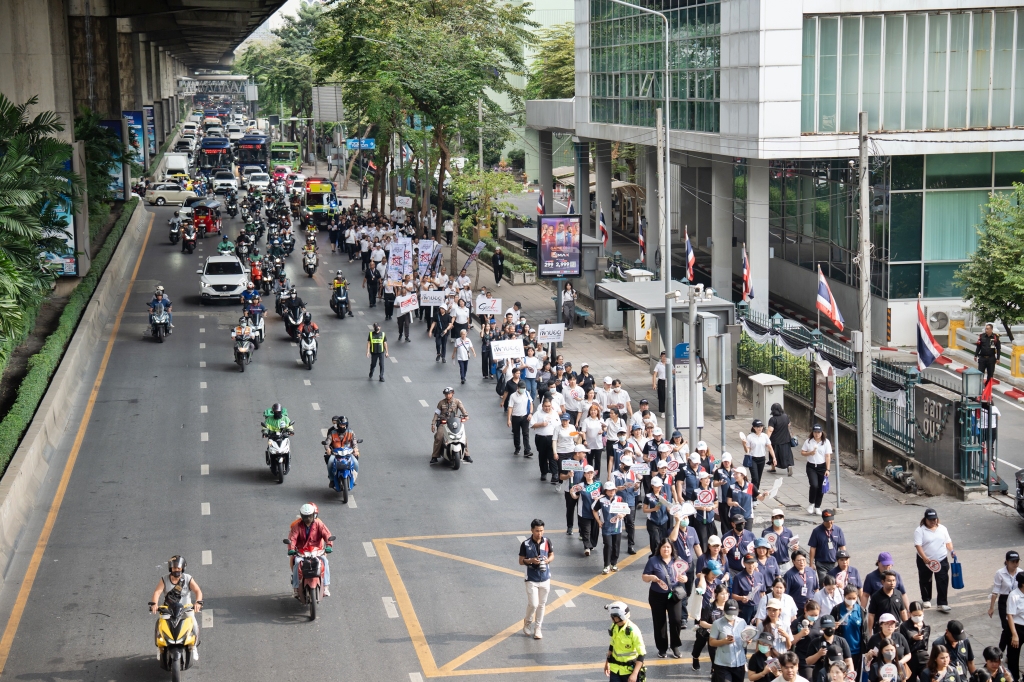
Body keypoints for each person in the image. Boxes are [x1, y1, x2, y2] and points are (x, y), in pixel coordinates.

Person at [643, 537, 686, 658]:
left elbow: (684, 575)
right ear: (660, 549)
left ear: (672, 549)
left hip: (674, 595)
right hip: (657, 596)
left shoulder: (677, 561)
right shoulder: (653, 560)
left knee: (676, 620)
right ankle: (662, 648)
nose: (666, 549)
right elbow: (644, 577)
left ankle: (675, 646)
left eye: (668, 547)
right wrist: (651, 578)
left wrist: (684, 578)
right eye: (663, 547)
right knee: (659, 622)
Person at [149, 554, 204, 638]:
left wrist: (198, 602)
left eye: (179, 568)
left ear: (182, 568)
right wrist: (154, 604)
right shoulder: (164, 579)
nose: (176, 570)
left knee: (193, 625)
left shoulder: (188, 578)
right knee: (161, 627)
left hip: (186, 608)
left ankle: (194, 645)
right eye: (174, 568)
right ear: (170, 568)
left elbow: (198, 591)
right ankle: (160, 646)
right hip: (169, 610)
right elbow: (157, 592)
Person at [287, 503, 333, 597]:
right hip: (302, 552)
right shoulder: (297, 526)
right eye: (305, 516)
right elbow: (292, 538)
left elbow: (327, 535)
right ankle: (296, 587)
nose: (308, 518)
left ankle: (325, 586)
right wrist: (291, 548)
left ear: (313, 515)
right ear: (301, 516)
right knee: (297, 563)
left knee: (325, 561)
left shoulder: (319, 524)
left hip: (317, 550)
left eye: (309, 516)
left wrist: (329, 545)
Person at [914, 508, 955, 613]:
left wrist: (951, 551)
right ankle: (926, 599)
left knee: (942, 580)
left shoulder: (942, 528)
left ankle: (942, 603)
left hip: (941, 558)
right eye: (930, 519)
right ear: (925, 519)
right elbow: (918, 545)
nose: (933, 521)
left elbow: (948, 542)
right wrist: (924, 558)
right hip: (925, 560)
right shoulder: (920, 530)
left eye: (934, 519)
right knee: (925, 579)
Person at [519, 519, 553, 640]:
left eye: (541, 530)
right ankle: (528, 621)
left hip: (545, 578)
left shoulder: (547, 541)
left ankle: (538, 627)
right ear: (532, 530)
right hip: (531, 578)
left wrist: (548, 560)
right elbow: (521, 561)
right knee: (533, 604)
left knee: (542, 604)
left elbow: (551, 554)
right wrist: (531, 561)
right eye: (537, 531)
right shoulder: (525, 544)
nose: (540, 533)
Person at [604, 601, 647, 682]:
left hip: (629, 671)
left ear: (617, 617)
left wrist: (634, 674)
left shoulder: (633, 631)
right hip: (615, 669)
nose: (611, 618)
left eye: (612, 616)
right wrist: (607, 662)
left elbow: (642, 654)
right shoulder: (614, 627)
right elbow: (612, 646)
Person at [709, 599, 750, 682]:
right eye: (729, 614)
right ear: (724, 611)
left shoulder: (742, 622)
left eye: (733, 614)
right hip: (723, 664)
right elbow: (711, 642)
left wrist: (747, 641)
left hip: (739, 663)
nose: (731, 616)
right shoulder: (717, 623)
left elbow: (745, 641)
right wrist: (723, 641)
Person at [989, 550, 1021, 651]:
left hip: (1017, 600)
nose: (1015, 564)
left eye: (1017, 561)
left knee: (1014, 627)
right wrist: (991, 607)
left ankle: (1008, 651)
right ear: (1007, 562)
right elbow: (995, 591)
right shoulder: (1000, 573)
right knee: (1006, 627)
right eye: (1012, 562)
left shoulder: (1021, 572)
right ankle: (1000, 650)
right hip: (1004, 600)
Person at [430, 387, 470, 464]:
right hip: (444, 423)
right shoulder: (441, 403)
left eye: (449, 394)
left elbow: (463, 410)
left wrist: (466, 416)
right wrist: (433, 424)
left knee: (464, 437)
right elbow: (436, 414)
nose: (447, 395)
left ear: (452, 394)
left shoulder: (457, 401)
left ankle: (466, 455)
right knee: (439, 437)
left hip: (455, 423)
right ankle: (434, 456)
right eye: (446, 394)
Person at [832, 584, 866, 673]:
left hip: (857, 650)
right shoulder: (837, 610)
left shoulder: (861, 610)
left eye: (854, 598)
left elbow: (865, 631)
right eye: (849, 598)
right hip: (841, 651)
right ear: (844, 596)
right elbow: (829, 629)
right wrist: (833, 627)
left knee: (856, 675)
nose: (851, 600)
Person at [594, 480, 625, 574]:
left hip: (617, 527)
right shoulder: (601, 500)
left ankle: (613, 563)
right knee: (608, 545)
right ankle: (606, 565)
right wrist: (599, 521)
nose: (612, 491)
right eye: (610, 490)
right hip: (606, 527)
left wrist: (622, 515)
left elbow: (625, 511)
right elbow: (595, 510)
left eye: (613, 490)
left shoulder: (619, 499)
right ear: (606, 491)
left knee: (616, 546)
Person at [800, 425, 832, 515]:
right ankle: (811, 503)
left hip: (822, 467)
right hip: (811, 466)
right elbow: (802, 452)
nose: (817, 434)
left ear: (822, 433)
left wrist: (828, 469)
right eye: (815, 432)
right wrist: (810, 453)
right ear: (812, 432)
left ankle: (817, 506)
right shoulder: (809, 441)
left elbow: (827, 456)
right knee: (814, 485)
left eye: (818, 432)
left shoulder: (826, 442)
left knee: (821, 487)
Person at [808, 509, 846, 584]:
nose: (829, 522)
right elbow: (813, 548)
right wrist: (811, 564)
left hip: (834, 563)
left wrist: (844, 561)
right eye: (827, 521)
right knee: (824, 583)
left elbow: (842, 547)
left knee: (835, 583)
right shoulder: (816, 531)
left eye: (831, 520)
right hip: (821, 563)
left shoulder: (838, 530)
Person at [902, 601, 932, 681]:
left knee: (928, 678)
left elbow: (925, 644)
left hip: (923, 656)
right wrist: (912, 639)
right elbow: (903, 646)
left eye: (919, 615)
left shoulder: (926, 626)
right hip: (910, 658)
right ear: (909, 613)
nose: (917, 617)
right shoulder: (904, 626)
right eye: (915, 615)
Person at [530, 397, 558, 481]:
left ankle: (554, 474)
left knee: (552, 456)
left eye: (549, 406)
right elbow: (532, 425)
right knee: (542, 456)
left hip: (551, 438)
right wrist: (541, 424)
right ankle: (544, 472)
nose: (547, 408)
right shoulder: (538, 414)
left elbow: (558, 426)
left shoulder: (554, 414)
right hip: (541, 437)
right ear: (542, 406)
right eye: (545, 406)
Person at [743, 419, 776, 488]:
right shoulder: (750, 437)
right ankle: (753, 492)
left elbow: (770, 448)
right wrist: (744, 444)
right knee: (755, 478)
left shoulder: (765, 436)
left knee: (759, 478)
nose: (760, 428)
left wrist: (774, 458)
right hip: (753, 459)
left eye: (761, 426)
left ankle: (756, 491)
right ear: (754, 427)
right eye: (758, 427)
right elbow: (747, 450)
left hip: (762, 459)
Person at [507, 380, 534, 457]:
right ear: (517, 388)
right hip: (516, 417)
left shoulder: (527, 393)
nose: (523, 389)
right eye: (521, 388)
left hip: (525, 417)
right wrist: (509, 419)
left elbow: (531, 403)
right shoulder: (513, 396)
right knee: (516, 434)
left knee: (526, 434)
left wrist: (530, 413)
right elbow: (510, 408)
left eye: (524, 388)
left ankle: (527, 450)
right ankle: (517, 448)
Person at [767, 403, 795, 476]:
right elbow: (789, 424)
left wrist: (766, 439)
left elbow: (770, 430)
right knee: (787, 454)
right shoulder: (785, 416)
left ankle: (773, 467)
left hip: (775, 440)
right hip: (786, 439)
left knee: (773, 454)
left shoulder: (773, 419)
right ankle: (789, 465)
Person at [1006, 573, 1024, 680]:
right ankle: (1013, 679)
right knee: (1013, 656)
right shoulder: (1014, 595)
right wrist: (1014, 634)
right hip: (1017, 628)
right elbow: (1010, 615)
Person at [652, 351, 669, 416]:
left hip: (668, 381)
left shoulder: (669, 364)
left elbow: (673, 371)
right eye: (663, 356)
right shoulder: (658, 365)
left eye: (665, 356)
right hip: (661, 381)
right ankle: (662, 411)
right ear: (661, 357)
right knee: (661, 396)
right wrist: (654, 384)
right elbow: (654, 374)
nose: (664, 358)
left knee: (669, 396)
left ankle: (669, 410)